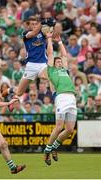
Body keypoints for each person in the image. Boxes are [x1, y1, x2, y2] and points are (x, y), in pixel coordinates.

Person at [43, 32, 77, 166]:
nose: (59, 62)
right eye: (57, 61)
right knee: (58, 127)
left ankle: (55, 147)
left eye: (60, 62)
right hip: (62, 97)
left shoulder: (65, 70)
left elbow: (64, 55)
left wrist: (61, 42)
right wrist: (49, 39)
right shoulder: (51, 71)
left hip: (72, 98)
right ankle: (47, 150)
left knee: (69, 129)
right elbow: (51, 54)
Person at [3, 16, 47, 97]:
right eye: (32, 24)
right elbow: (33, 33)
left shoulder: (42, 33)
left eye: (36, 24)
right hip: (31, 65)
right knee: (19, 93)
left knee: (48, 77)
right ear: (28, 26)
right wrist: (42, 22)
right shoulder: (25, 33)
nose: (34, 26)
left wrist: (51, 25)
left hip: (43, 64)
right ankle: (11, 89)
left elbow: (53, 35)